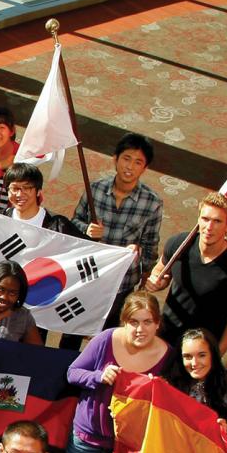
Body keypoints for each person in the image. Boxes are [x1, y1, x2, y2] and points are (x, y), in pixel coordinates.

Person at [62, 292, 174, 453]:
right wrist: (97, 377)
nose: (140, 329)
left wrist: (157, 389)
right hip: (87, 437)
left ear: (157, 324)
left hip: (124, 447)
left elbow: (170, 402)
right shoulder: (106, 339)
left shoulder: (167, 355)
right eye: (134, 322)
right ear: (124, 321)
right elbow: (72, 373)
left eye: (147, 322)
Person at [71, 133, 163, 329]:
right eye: (126, 159)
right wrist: (86, 229)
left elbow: (150, 246)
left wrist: (144, 273)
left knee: (110, 334)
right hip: (89, 274)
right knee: (74, 330)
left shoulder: (152, 203)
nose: (130, 167)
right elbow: (73, 223)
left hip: (122, 282)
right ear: (115, 159)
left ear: (145, 168)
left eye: (138, 162)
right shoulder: (94, 189)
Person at [145, 193, 227, 350]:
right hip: (165, 338)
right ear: (198, 219)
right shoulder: (179, 243)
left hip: (202, 349)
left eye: (217, 221)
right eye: (205, 219)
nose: (209, 227)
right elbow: (159, 273)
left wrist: (217, 354)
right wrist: (156, 282)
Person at [0, 162, 84, 235]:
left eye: (26, 188)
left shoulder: (58, 225)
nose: (19, 194)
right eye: (14, 188)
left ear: (38, 191)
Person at [168, 328, 227, 422]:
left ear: (213, 355)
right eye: (188, 357)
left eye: (202, 355)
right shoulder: (169, 385)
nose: (194, 363)